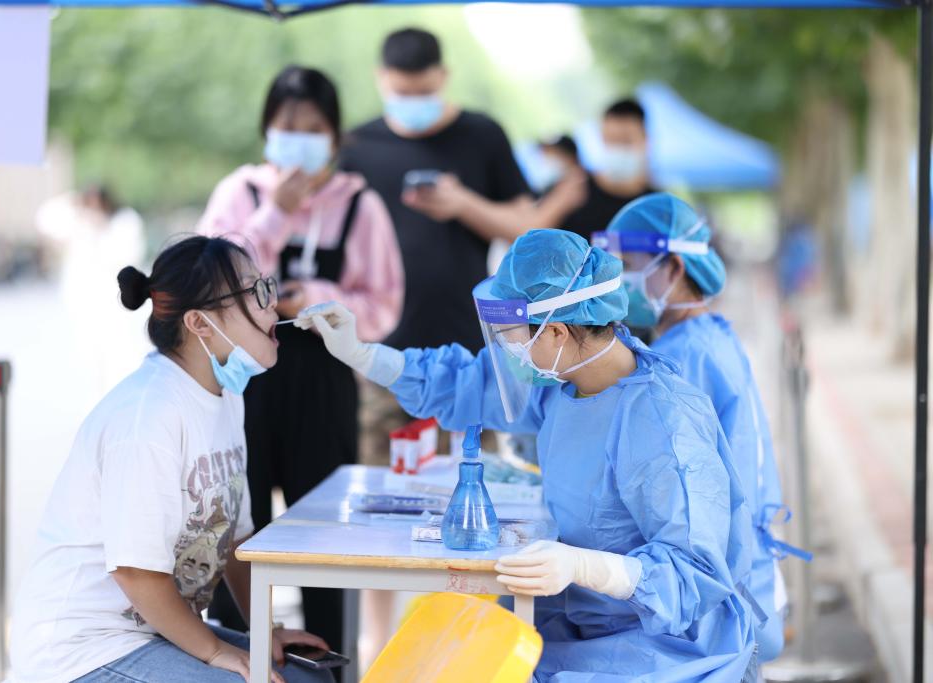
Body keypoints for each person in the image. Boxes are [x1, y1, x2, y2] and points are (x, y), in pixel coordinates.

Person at [295, 229, 758, 681]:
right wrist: (363, 354)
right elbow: (468, 383)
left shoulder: (663, 420)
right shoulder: (565, 382)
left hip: (660, 646)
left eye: (511, 336)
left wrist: (587, 567)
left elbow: (696, 573)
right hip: (570, 625)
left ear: (555, 331)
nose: (506, 349)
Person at [8, 235, 332, 683]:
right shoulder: (149, 415)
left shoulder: (226, 397)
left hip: (152, 633)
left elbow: (236, 542)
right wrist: (215, 652)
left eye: (267, 286)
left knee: (310, 677)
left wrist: (266, 631)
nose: (271, 303)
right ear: (199, 322)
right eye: (254, 292)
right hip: (82, 651)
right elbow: (136, 573)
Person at [197, 66, 404, 654]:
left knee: (325, 541)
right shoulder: (240, 192)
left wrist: (317, 299)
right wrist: (275, 213)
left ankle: (328, 665)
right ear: (267, 129)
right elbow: (206, 277)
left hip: (322, 384)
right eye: (288, 127)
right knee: (237, 532)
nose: (299, 141)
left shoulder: (359, 204)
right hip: (243, 384)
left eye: (313, 129)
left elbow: (385, 304)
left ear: (335, 136)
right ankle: (234, 657)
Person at [601, 192, 801, 663]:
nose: (620, 280)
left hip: (724, 592)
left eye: (628, 265)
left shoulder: (686, 356)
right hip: (746, 574)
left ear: (673, 267)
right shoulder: (705, 337)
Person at [340, 26, 535, 458]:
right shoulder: (357, 146)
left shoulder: (482, 134)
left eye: (423, 92)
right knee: (381, 482)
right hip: (381, 354)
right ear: (380, 78)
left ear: (443, 76)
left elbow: (527, 227)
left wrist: (464, 204)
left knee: (472, 480)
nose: (413, 102)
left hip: (468, 357)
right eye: (402, 92)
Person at [36, 184, 148, 402]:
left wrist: (100, 229)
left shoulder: (124, 221)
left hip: (117, 306)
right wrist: (74, 200)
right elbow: (44, 218)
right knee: (88, 361)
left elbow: (128, 257)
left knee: (121, 358)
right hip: (83, 304)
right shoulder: (78, 220)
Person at [534, 99, 658, 237]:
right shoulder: (574, 186)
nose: (617, 149)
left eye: (626, 141)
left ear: (646, 140)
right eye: (611, 140)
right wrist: (559, 204)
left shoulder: (657, 208)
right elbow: (531, 235)